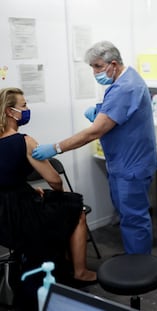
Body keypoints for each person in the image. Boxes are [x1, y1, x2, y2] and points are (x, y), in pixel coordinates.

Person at [32, 41, 157, 255]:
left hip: (131, 167)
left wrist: (56, 147)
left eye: (98, 67)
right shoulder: (125, 79)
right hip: (124, 163)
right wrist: (101, 111)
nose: (94, 72)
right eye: (92, 67)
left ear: (114, 64)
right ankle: (133, 257)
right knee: (127, 215)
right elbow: (119, 115)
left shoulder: (125, 88)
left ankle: (141, 267)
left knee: (134, 219)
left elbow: (94, 132)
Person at [0, 88, 96, 285]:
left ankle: (61, 262)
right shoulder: (24, 141)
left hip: (3, 215)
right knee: (75, 209)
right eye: (24, 105)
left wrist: (27, 190)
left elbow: (6, 177)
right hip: (19, 217)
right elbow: (54, 180)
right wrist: (62, 196)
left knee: (55, 204)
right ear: (10, 112)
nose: (27, 109)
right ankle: (80, 272)